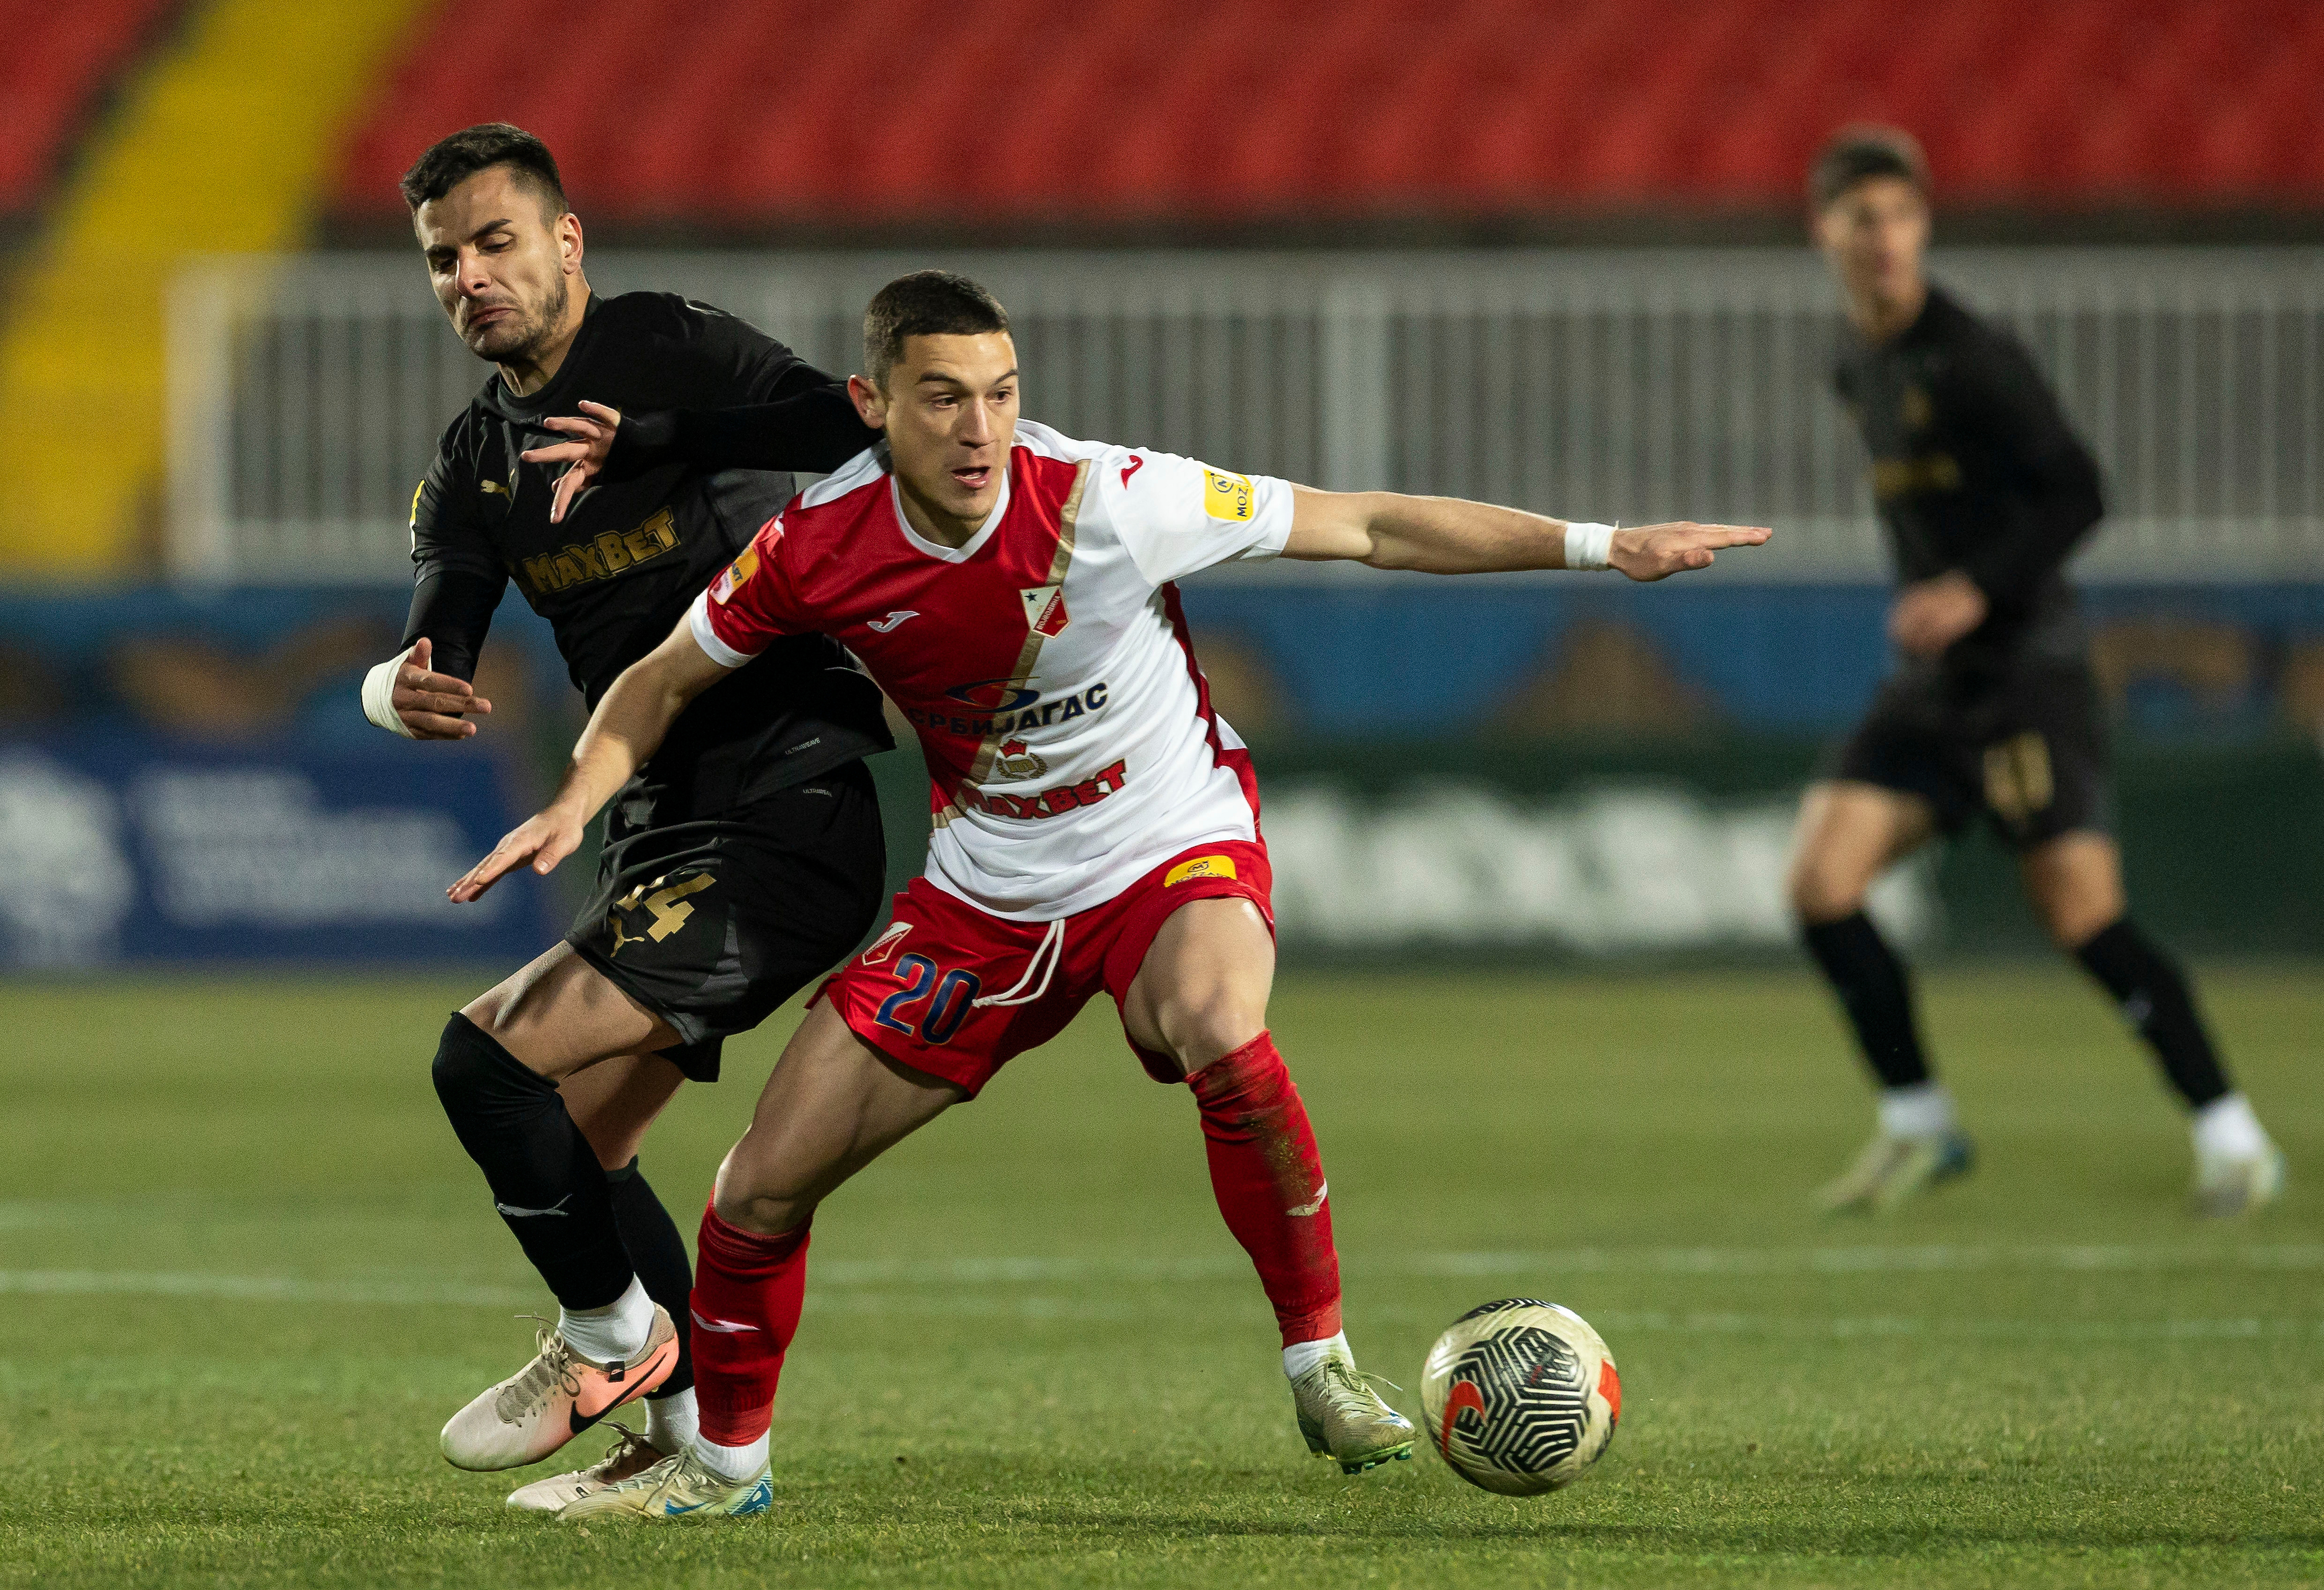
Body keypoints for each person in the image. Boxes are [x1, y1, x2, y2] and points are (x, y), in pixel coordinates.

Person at [453, 269, 1768, 1521]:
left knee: (1216, 1020)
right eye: (944, 397)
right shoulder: (819, 545)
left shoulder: (1107, 497)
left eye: (1003, 392)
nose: (982, 428)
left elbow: (1368, 523)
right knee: (755, 1187)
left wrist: (1607, 545)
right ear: (874, 406)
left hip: (1167, 842)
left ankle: (1322, 1365)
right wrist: (580, 793)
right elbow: (665, 677)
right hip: (988, 890)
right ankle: (727, 1468)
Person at [362, 123, 892, 1509]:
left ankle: (611, 1340)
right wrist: (403, 686)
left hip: (788, 790)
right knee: (577, 1147)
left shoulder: (668, 346)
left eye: (495, 242)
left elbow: (854, 418)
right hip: (658, 815)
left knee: (485, 1065)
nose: (470, 275)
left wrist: (674, 436)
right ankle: (696, 1442)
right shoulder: (476, 457)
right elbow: (442, 624)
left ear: (565, 242)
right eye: (442, 259)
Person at [1790, 127, 2283, 1216]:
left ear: (1925, 226)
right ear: (1823, 229)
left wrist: (1972, 586)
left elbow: (2078, 491)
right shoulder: (1856, 364)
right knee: (1822, 882)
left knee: (2083, 919)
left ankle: (2235, 1137)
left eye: (1902, 216)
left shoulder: (1974, 356)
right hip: (1931, 684)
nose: (1884, 240)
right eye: (1862, 218)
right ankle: (1921, 1127)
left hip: (2025, 673)